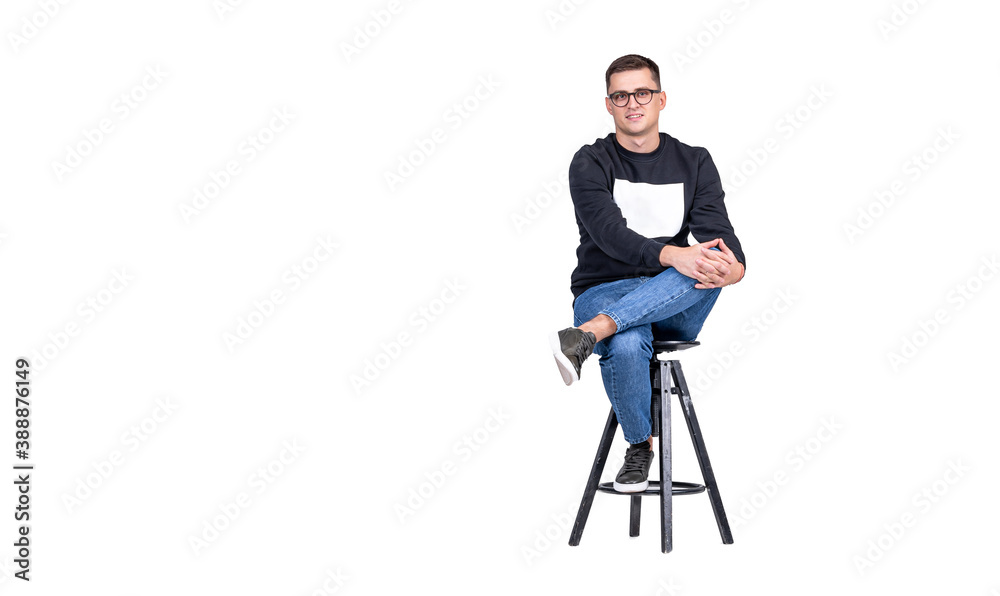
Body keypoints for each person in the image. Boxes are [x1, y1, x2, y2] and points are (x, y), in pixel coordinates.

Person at [549, 54, 746, 493]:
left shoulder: (694, 161)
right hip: (604, 288)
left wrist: (730, 269)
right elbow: (610, 234)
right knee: (629, 338)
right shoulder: (590, 161)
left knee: (704, 261)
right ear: (608, 104)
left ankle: (587, 334)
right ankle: (640, 446)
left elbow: (722, 241)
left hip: (675, 297)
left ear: (661, 99)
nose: (632, 103)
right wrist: (677, 256)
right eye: (621, 95)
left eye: (642, 93)